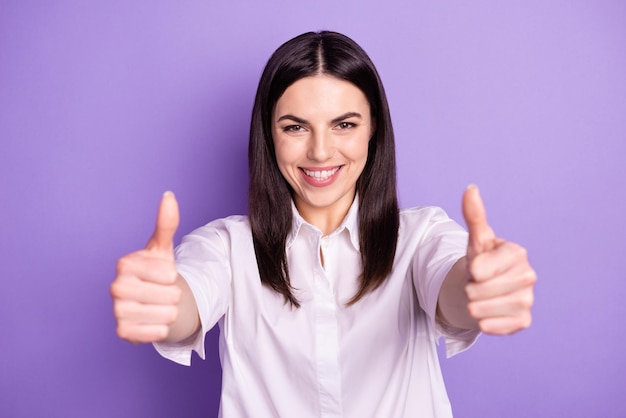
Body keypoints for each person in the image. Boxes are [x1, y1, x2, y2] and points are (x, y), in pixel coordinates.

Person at [110, 31, 536, 417]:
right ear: (269, 136)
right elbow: (186, 300)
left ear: (373, 131)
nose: (319, 151)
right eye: (295, 127)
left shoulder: (420, 237)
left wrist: (480, 287)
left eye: (344, 125)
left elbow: (452, 287)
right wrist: (162, 303)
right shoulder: (227, 246)